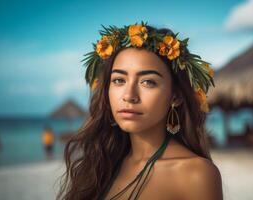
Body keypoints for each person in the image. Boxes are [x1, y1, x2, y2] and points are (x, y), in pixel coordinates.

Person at [57, 22, 223, 200]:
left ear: (176, 96)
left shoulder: (196, 175)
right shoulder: (100, 165)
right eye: (119, 80)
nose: (129, 95)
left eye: (148, 82)